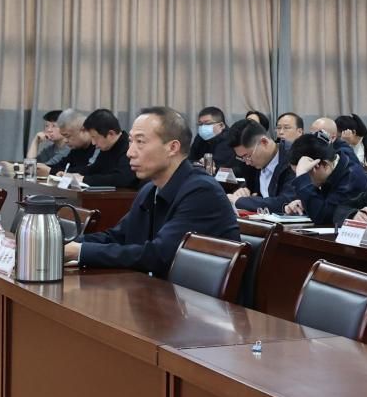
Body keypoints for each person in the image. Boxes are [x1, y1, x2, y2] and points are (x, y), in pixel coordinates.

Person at [64, 107, 240, 277]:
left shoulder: (201, 191)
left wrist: (80, 251)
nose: (130, 153)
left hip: (194, 296)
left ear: (172, 148)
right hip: (161, 290)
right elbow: (118, 236)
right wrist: (65, 244)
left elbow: (159, 255)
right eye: (131, 141)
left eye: (140, 142)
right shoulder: (149, 189)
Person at [282, 133, 367, 224]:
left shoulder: (352, 178)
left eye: (305, 174)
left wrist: (303, 183)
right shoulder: (333, 170)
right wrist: (304, 204)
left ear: (323, 165)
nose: (305, 180)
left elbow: (324, 216)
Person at [227, 119, 296, 212]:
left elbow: (285, 202)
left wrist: (240, 201)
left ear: (264, 142)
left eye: (247, 156)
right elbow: (251, 191)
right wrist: (243, 192)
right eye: (242, 158)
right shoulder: (255, 164)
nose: (247, 162)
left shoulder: (293, 158)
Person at [68, 109, 137, 189]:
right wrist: (70, 174)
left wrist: (84, 179)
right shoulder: (107, 147)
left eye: (95, 137)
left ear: (110, 134)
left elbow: (122, 178)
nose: (93, 143)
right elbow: (95, 169)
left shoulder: (128, 148)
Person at [36, 109, 97, 178]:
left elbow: (89, 170)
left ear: (83, 130)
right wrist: (41, 167)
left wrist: (50, 171)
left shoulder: (98, 145)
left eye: (67, 136)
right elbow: (61, 166)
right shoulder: (76, 148)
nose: (65, 140)